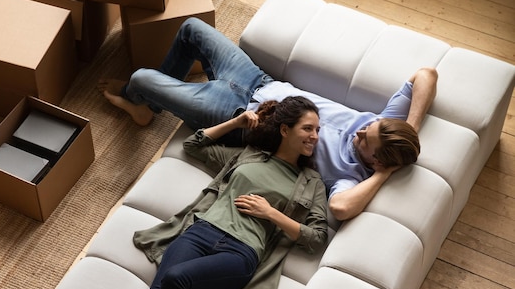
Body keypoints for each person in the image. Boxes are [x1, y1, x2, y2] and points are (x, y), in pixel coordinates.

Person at [104, 18, 438, 221]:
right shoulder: (385, 127)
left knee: (141, 78)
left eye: (367, 140)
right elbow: (427, 74)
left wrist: (382, 175)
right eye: (371, 126)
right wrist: (412, 127)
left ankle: (143, 105)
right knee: (191, 28)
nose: (363, 129)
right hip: (260, 82)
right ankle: (154, 101)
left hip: (239, 116)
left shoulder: (349, 176)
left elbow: (341, 209)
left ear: (376, 161)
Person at [106, 96, 328, 289]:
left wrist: (271, 213)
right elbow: (194, 145)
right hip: (200, 232)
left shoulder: (312, 183)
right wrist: (236, 122)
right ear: (284, 130)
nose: (314, 136)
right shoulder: (249, 156)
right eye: (308, 128)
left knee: (176, 279)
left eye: (317, 130)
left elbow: (317, 237)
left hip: (240, 253)